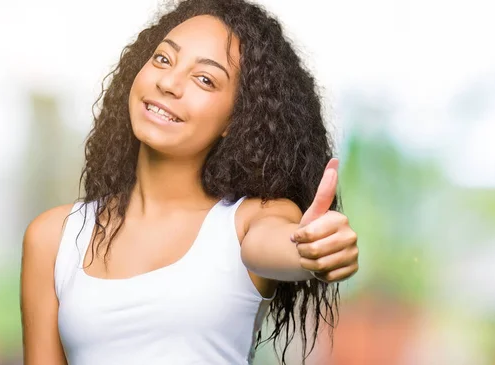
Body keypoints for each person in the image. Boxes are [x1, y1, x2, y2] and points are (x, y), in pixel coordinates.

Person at [20, 0, 359, 364]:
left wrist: (311, 250)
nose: (168, 83)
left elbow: (279, 244)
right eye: (163, 59)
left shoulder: (248, 221)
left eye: (205, 79)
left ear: (237, 118)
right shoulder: (54, 237)